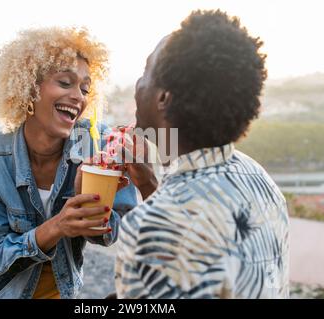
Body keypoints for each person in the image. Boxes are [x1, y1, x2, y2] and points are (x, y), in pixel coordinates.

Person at [115, 10, 290, 298]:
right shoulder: (258, 178)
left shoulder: (151, 227)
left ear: (163, 98)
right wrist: (148, 185)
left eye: (146, 71)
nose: (137, 84)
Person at [0, 27, 137, 299]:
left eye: (85, 88)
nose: (79, 97)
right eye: (65, 83)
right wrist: (57, 227)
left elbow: (113, 231)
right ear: (29, 88)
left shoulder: (98, 147)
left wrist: (94, 209)